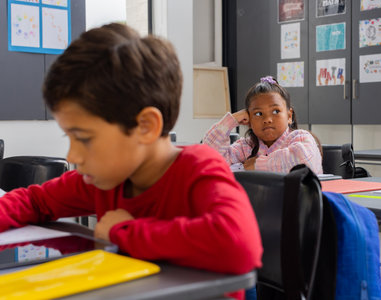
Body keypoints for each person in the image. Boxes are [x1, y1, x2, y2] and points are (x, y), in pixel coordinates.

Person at [0, 23, 262, 299]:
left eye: (85, 138)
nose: (72, 156)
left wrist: (120, 231)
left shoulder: (198, 167)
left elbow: (238, 245)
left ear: (145, 127)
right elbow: (36, 201)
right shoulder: (108, 177)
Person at [203, 76, 323, 174]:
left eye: (276, 111)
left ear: (289, 116)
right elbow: (211, 160)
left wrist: (258, 165)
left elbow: (304, 161)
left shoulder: (299, 137)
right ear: (249, 120)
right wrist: (230, 121)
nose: (267, 119)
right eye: (258, 113)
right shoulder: (247, 146)